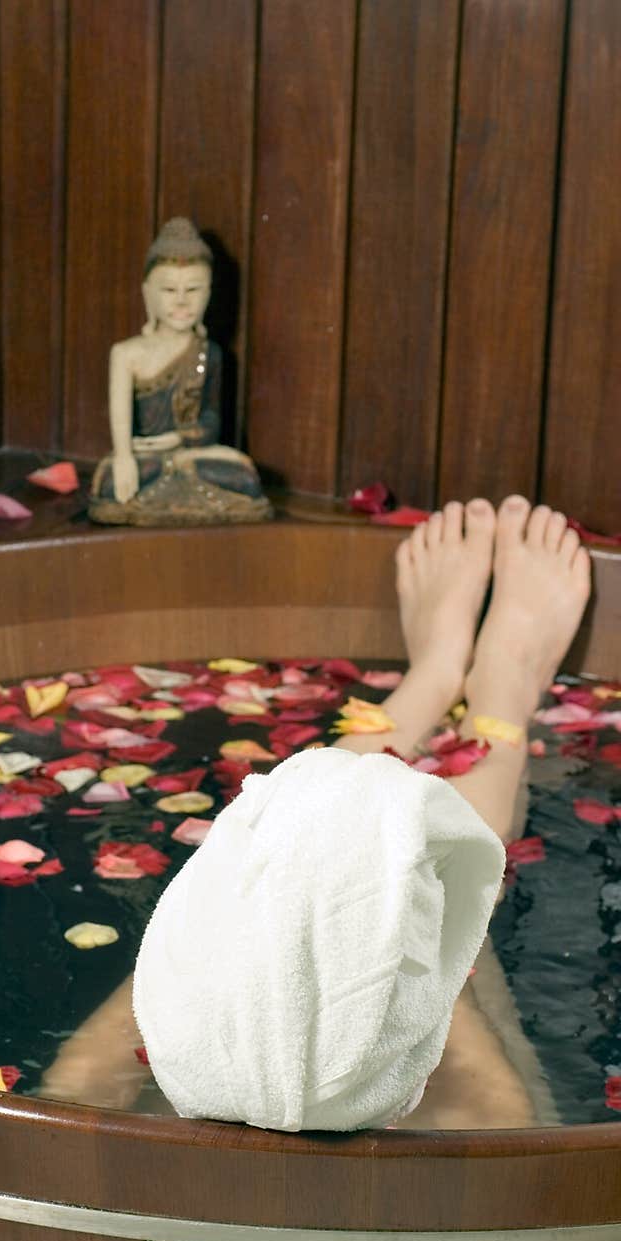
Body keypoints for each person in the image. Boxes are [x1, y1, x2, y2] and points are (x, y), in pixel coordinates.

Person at [40, 496, 592, 1130]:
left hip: (188, 1160)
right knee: (429, 925)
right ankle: (498, 686)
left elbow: (70, 1101)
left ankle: (434, 680)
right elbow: (503, 1126)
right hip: (436, 1148)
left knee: (258, 909)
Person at [88, 217, 272, 527]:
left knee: (246, 478)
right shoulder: (126, 353)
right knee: (111, 483)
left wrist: (176, 439)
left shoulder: (209, 353)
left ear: (208, 293)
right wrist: (123, 458)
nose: (182, 300)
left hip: (191, 454)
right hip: (143, 458)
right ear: (148, 293)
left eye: (193, 289)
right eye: (170, 289)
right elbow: (121, 422)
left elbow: (212, 420)